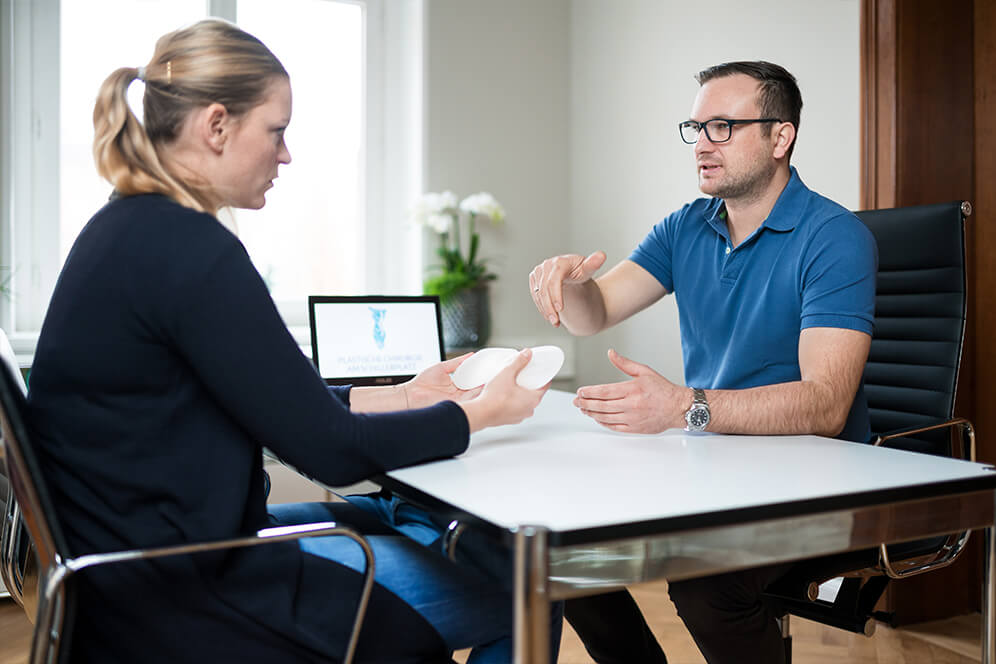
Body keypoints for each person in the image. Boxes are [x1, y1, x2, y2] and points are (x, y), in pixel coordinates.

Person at [26, 19, 560, 664]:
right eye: (276, 131)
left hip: (137, 567)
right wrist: (480, 413)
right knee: (525, 589)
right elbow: (333, 452)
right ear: (216, 126)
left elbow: (276, 400)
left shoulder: (131, 228)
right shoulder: (189, 249)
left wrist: (406, 395)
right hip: (187, 590)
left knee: (420, 533)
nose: (286, 155)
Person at [529, 61, 877, 664]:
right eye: (696, 128)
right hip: (716, 469)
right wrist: (571, 285)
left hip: (817, 483)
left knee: (706, 584)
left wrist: (680, 407)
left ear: (780, 137)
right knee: (562, 547)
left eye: (723, 127)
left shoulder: (834, 237)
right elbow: (597, 311)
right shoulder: (685, 227)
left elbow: (826, 406)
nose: (702, 145)